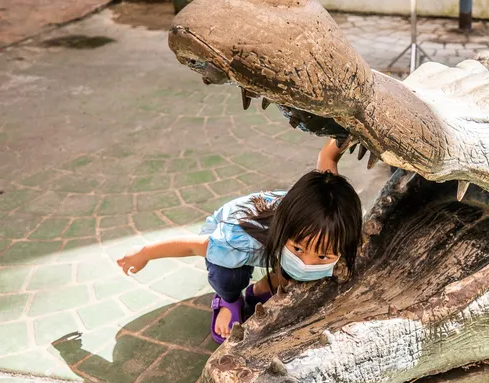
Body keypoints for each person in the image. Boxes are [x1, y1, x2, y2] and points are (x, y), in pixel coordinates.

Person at [115, 139, 361, 343]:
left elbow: (327, 161)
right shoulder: (237, 239)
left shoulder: (335, 215)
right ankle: (228, 301)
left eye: (323, 256)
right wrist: (144, 253)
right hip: (241, 226)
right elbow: (192, 245)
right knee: (228, 273)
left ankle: (263, 288)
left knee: (297, 260)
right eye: (300, 250)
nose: (307, 262)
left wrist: (338, 141)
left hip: (288, 235)